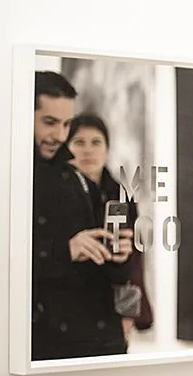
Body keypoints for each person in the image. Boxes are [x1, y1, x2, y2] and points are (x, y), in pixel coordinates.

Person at [31, 72, 135, 360]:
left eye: (66, 124)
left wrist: (120, 257)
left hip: (103, 343)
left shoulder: (80, 182)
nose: (59, 136)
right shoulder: (14, 177)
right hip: (46, 347)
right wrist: (66, 251)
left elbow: (119, 275)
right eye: (49, 122)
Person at [67, 113, 154, 340]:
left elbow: (135, 265)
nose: (88, 150)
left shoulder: (121, 196)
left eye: (96, 142)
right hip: (68, 311)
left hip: (111, 313)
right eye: (79, 142)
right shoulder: (56, 195)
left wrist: (129, 314)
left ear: (106, 149)